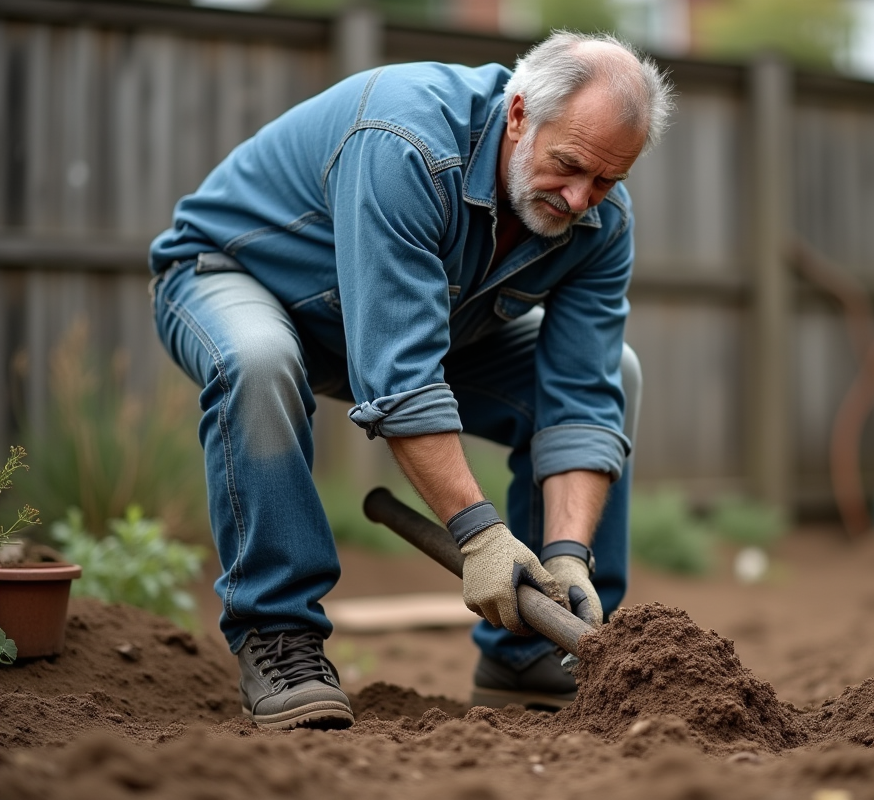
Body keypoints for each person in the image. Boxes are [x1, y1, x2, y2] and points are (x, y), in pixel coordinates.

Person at [147, 32, 674, 730]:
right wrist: (480, 536)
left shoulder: (602, 222)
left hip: (416, 324)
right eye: (569, 166)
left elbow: (581, 394)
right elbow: (402, 375)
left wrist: (568, 555)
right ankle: (278, 636)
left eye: (607, 181)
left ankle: (533, 653)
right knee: (259, 359)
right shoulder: (407, 143)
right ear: (519, 114)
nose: (582, 199)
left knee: (620, 373)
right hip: (236, 276)